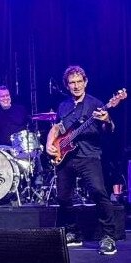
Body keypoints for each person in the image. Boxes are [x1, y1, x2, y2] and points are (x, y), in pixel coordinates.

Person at [46, 65, 117, 255]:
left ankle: (108, 236)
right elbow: (57, 129)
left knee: (98, 192)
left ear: (85, 82)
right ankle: (73, 232)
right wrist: (49, 144)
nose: (76, 86)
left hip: (89, 155)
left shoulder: (96, 104)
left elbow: (109, 130)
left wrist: (106, 118)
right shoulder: (64, 105)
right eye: (72, 83)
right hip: (66, 156)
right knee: (63, 197)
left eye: (79, 81)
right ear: (67, 86)